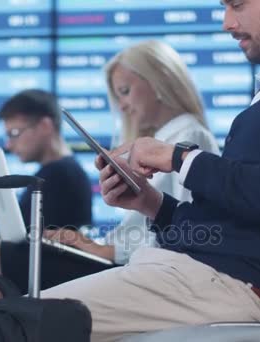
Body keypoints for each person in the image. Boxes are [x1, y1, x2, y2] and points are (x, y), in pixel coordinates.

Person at [38, 0, 260, 341]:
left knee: (8, 323)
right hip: (195, 275)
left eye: (237, 5)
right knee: (12, 318)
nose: (226, 22)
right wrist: (150, 203)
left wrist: (178, 157)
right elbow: (233, 227)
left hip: (216, 283)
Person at [43, 40, 220, 265]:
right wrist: (94, 246)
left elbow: (188, 235)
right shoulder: (165, 138)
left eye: (125, 92)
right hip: (128, 264)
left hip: (147, 270)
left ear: (159, 79)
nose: (122, 106)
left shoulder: (189, 138)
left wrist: (105, 251)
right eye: (118, 97)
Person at [0, 89, 93, 297]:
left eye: (14, 133)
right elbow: (15, 240)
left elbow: (23, 247)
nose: (9, 144)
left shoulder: (59, 175)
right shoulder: (56, 173)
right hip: (32, 271)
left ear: (45, 126)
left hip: (45, 277)